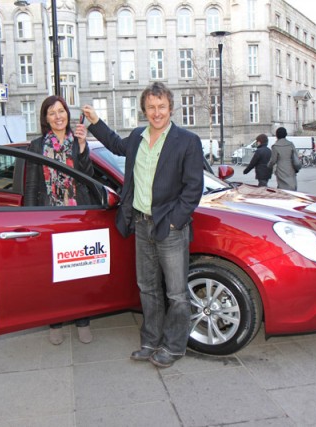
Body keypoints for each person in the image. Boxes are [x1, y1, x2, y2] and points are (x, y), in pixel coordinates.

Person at [82, 82, 204, 368]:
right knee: (147, 288)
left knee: (176, 293)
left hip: (169, 228)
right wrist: (95, 121)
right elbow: (115, 145)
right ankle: (151, 341)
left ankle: (174, 346)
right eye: (151, 107)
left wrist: (175, 222)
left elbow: (193, 188)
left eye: (161, 107)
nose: (156, 112)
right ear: (144, 110)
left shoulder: (187, 141)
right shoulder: (138, 136)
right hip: (141, 223)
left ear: (170, 108)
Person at [25, 95, 94, 345]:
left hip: (76, 216)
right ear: (46, 118)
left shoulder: (77, 141)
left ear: (67, 113)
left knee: (79, 272)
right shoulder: (36, 146)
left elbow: (88, 176)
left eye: (61, 111)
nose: (58, 116)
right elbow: (31, 185)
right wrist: (30, 222)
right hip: (49, 216)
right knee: (54, 274)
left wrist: (83, 146)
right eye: (52, 112)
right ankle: (55, 322)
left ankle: (82, 320)